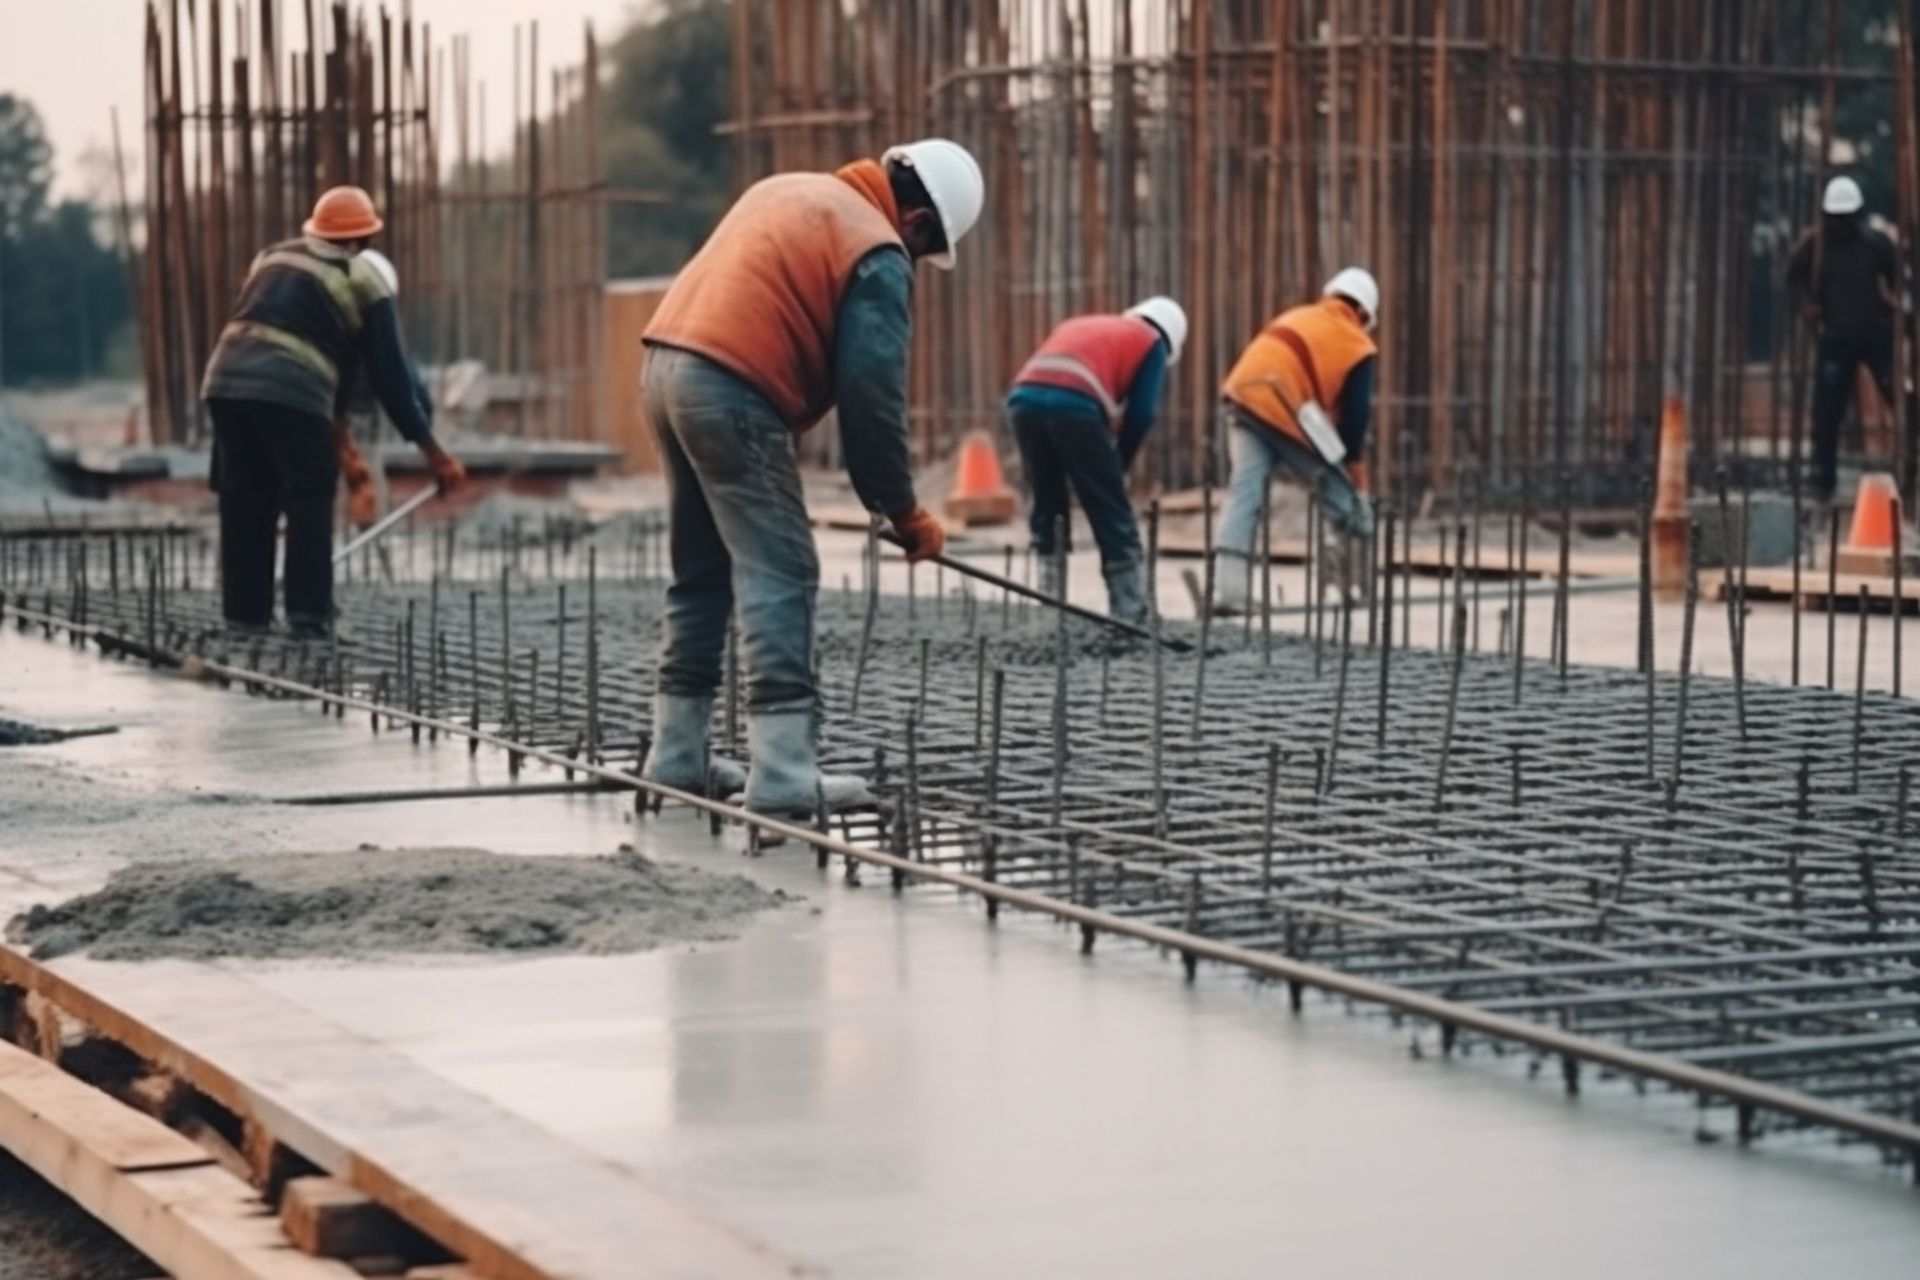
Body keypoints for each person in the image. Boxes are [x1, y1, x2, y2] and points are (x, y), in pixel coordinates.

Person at [638, 139, 985, 816]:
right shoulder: (875, 247)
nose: (914, 261)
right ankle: (785, 773)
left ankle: (676, 756)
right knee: (782, 571)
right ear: (917, 224)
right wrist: (901, 508)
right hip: (730, 384)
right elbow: (871, 391)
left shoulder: (791, 190)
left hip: (662, 371)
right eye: (922, 249)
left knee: (701, 573)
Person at [201, 186, 465, 637]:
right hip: (291, 389)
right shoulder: (364, 280)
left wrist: (221, 468)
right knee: (309, 493)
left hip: (222, 383)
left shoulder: (272, 258)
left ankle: (244, 617)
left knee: (245, 497)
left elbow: (257, 346)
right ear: (360, 240)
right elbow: (395, 384)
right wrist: (436, 455)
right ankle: (309, 616)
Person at [1005, 297, 1186, 623]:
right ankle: (1131, 613)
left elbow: (1051, 376)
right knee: (1110, 510)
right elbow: (1143, 412)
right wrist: (1118, 465)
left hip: (1023, 401)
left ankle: (1048, 608)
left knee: (1047, 504)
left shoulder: (1085, 323)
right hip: (1075, 405)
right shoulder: (1152, 342)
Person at [1211, 268, 1380, 615]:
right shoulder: (1356, 341)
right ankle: (1354, 583)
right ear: (1362, 313)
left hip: (1242, 398)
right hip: (1282, 405)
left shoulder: (1299, 315)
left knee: (1245, 492)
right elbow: (1356, 417)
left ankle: (1230, 589)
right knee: (1341, 498)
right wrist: (1353, 464)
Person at [1786, 175, 1899, 508]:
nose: (1841, 224)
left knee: (1900, 398)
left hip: (1875, 332)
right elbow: (1793, 279)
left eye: (1846, 217)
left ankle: (1910, 462)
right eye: (1836, 218)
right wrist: (1806, 305)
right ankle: (1823, 480)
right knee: (1827, 412)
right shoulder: (1813, 245)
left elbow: (1898, 275)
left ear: (1857, 214)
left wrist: (1896, 304)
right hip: (1835, 335)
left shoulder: (1875, 243)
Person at [333, 248, 434, 530]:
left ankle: (334, 556)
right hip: (357, 423)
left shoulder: (331, 309)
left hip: (323, 418)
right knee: (366, 494)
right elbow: (404, 374)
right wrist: (425, 422)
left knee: (327, 496)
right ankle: (359, 549)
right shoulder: (377, 320)